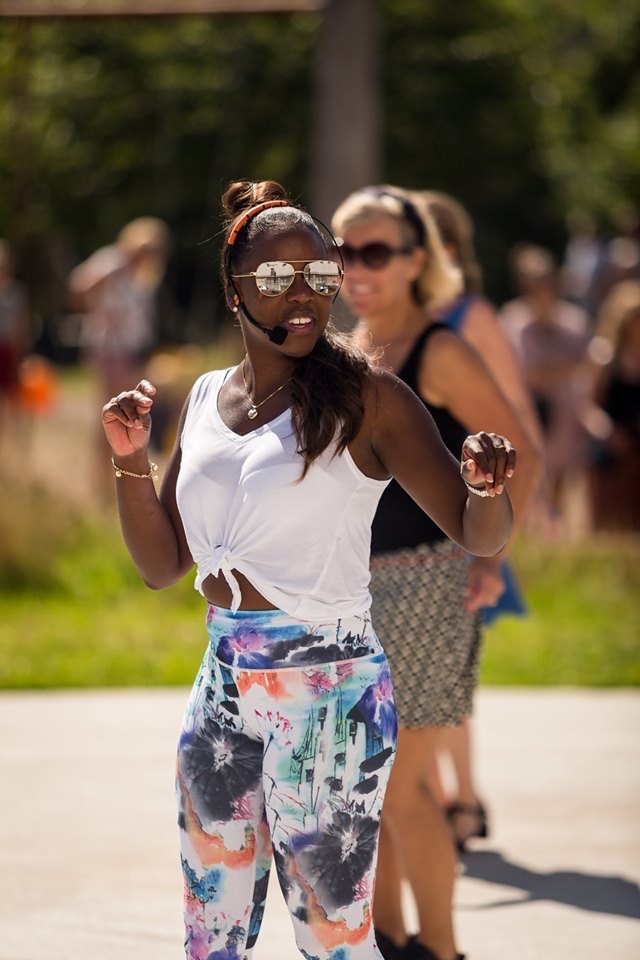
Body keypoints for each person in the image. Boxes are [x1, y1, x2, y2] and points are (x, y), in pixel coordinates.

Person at [102, 179, 518, 960]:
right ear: (235, 290)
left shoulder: (371, 399)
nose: (303, 295)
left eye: (320, 275)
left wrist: (487, 490)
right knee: (211, 933)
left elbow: (478, 534)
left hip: (329, 694)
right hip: (222, 685)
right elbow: (161, 566)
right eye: (276, 277)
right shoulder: (204, 398)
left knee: (333, 937)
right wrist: (130, 460)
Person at [331, 185, 539, 960]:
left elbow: (522, 453)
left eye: (375, 252)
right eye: (343, 253)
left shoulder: (439, 349)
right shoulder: (350, 350)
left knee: (399, 786)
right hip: (352, 589)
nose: (356, 268)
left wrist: (492, 556)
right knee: (363, 790)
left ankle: (443, 952)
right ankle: (388, 942)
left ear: (417, 260)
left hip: (429, 580)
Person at [415, 190, 544, 852]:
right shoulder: (390, 320)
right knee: (420, 669)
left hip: (470, 510)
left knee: (445, 668)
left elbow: (515, 415)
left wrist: (521, 511)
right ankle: (434, 797)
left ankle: (463, 797)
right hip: (412, 513)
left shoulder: (473, 315)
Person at [70, 216, 171, 493]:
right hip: (111, 350)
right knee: (111, 414)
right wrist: (108, 277)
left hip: (135, 350)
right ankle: (102, 484)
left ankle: (126, 481)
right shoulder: (111, 261)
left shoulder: (147, 272)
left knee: (133, 415)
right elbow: (78, 290)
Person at [499, 243, 590, 532]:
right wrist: (566, 366)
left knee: (562, 483)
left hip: (565, 413)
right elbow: (526, 373)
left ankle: (555, 537)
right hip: (528, 413)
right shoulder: (512, 320)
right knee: (529, 480)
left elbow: (588, 364)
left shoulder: (574, 319)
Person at [583, 280, 640, 531]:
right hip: (610, 451)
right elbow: (586, 408)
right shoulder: (604, 358)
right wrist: (608, 431)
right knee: (607, 524)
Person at [0, 239, 30, 452]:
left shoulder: (16, 292)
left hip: (10, 350)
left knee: (15, 400)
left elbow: (21, 324)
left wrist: (22, 353)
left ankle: (16, 448)